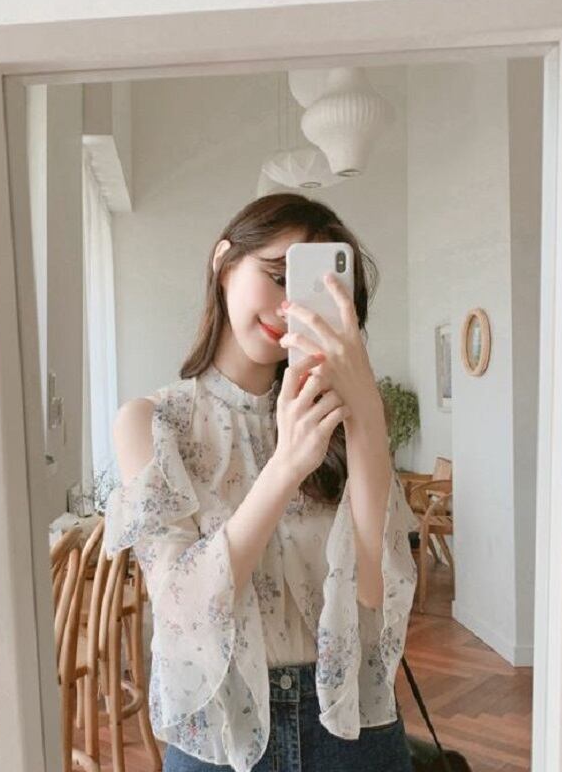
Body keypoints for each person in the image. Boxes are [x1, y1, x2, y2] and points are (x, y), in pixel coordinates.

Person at [103, 193, 420, 772]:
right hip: (222, 734)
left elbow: (374, 595)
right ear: (223, 263)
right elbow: (181, 610)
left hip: (350, 725)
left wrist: (367, 419)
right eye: (277, 276)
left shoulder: (341, 424)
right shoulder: (155, 424)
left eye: (313, 293)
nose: (287, 307)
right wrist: (285, 467)